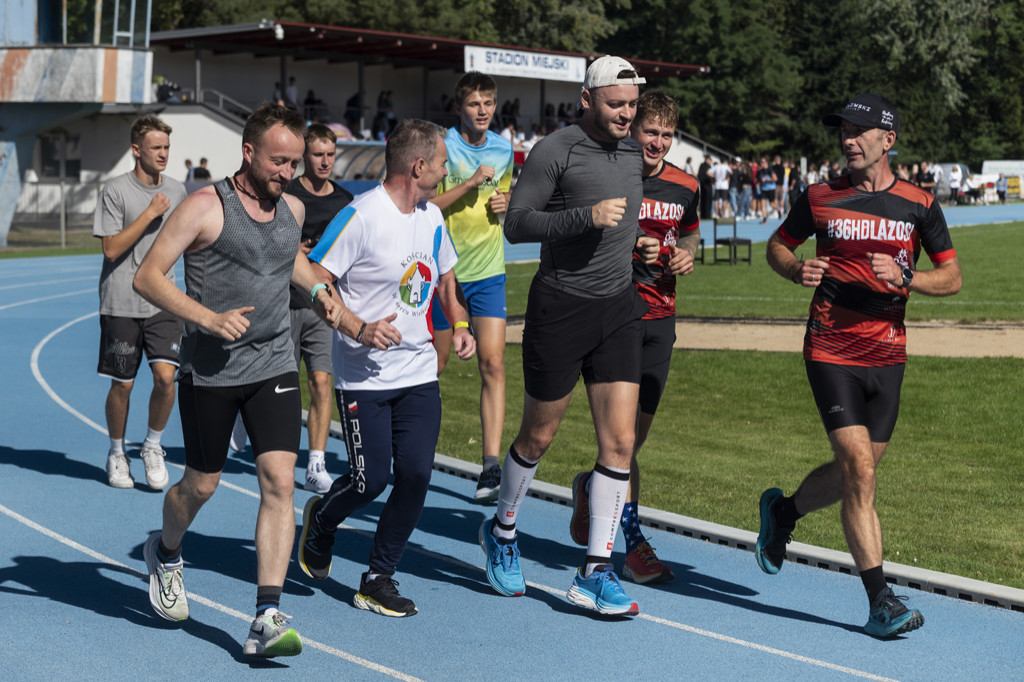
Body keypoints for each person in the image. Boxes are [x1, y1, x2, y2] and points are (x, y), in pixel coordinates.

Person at [133, 102, 340, 657]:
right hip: (210, 370)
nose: (287, 172)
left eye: (294, 163)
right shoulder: (205, 205)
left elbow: (291, 266)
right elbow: (147, 276)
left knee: (279, 481)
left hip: (273, 363)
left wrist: (335, 305)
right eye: (278, 161)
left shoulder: (291, 208)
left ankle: (265, 615)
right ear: (248, 152)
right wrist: (206, 318)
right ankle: (167, 550)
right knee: (201, 484)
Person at [758, 93, 962, 638]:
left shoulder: (919, 204)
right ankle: (880, 603)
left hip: (888, 355)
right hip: (830, 348)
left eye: (859, 130)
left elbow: (952, 277)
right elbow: (776, 246)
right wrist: (794, 269)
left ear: (887, 140)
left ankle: (784, 514)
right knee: (861, 473)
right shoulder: (819, 195)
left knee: (858, 475)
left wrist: (907, 279)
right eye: (843, 130)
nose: (847, 139)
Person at [478, 55, 664, 617]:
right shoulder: (554, 150)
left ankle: (595, 570)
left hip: (618, 309)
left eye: (632, 105)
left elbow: (624, 219)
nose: (626, 116)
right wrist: (585, 217)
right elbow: (517, 224)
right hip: (560, 306)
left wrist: (641, 246)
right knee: (538, 436)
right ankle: (503, 531)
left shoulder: (634, 152)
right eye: (616, 104)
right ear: (588, 99)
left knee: (621, 444)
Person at [297, 119, 476, 618]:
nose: (446, 171)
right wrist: (357, 326)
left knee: (416, 474)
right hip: (364, 376)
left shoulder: (432, 219)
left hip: (418, 372)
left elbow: (444, 283)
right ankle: (323, 520)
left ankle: (378, 577)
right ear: (418, 166)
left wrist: (459, 324)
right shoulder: (361, 216)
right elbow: (313, 277)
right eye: (442, 163)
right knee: (369, 480)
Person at [567, 89, 698, 585]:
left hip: (661, 318)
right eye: (651, 132)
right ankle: (632, 544)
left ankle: (590, 488)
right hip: (613, 314)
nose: (658, 142)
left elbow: (688, 232)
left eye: (667, 134)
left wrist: (685, 253)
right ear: (634, 129)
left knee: (632, 442)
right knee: (619, 442)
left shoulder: (686, 184)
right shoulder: (609, 174)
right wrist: (625, 253)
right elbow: (580, 236)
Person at [231, 123, 355, 490]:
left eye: (331, 155)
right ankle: (246, 422)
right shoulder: (285, 193)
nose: (325, 161)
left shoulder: (345, 201)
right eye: (318, 154)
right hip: (279, 304)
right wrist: (294, 253)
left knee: (320, 379)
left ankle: (315, 463)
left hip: (320, 303)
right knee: (275, 384)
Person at [428, 72, 514, 502]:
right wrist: (467, 183)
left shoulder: (504, 149)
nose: (483, 111)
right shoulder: (443, 146)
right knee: (433, 367)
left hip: (489, 271)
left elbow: (503, 199)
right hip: (446, 274)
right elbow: (427, 206)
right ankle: (412, 452)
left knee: (493, 365)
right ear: (459, 106)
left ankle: (490, 469)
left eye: (489, 103)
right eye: (475, 103)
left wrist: (507, 203)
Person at [93, 114, 187, 491]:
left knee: (166, 379)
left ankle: (151, 445)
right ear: (136, 150)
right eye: (156, 148)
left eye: (166, 147)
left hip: (164, 299)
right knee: (123, 385)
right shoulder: (115, 190)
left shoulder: (178, 190)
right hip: (121, 301)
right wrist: (150, 213)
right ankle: (117, 452)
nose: (163, 154)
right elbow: (111, 247)